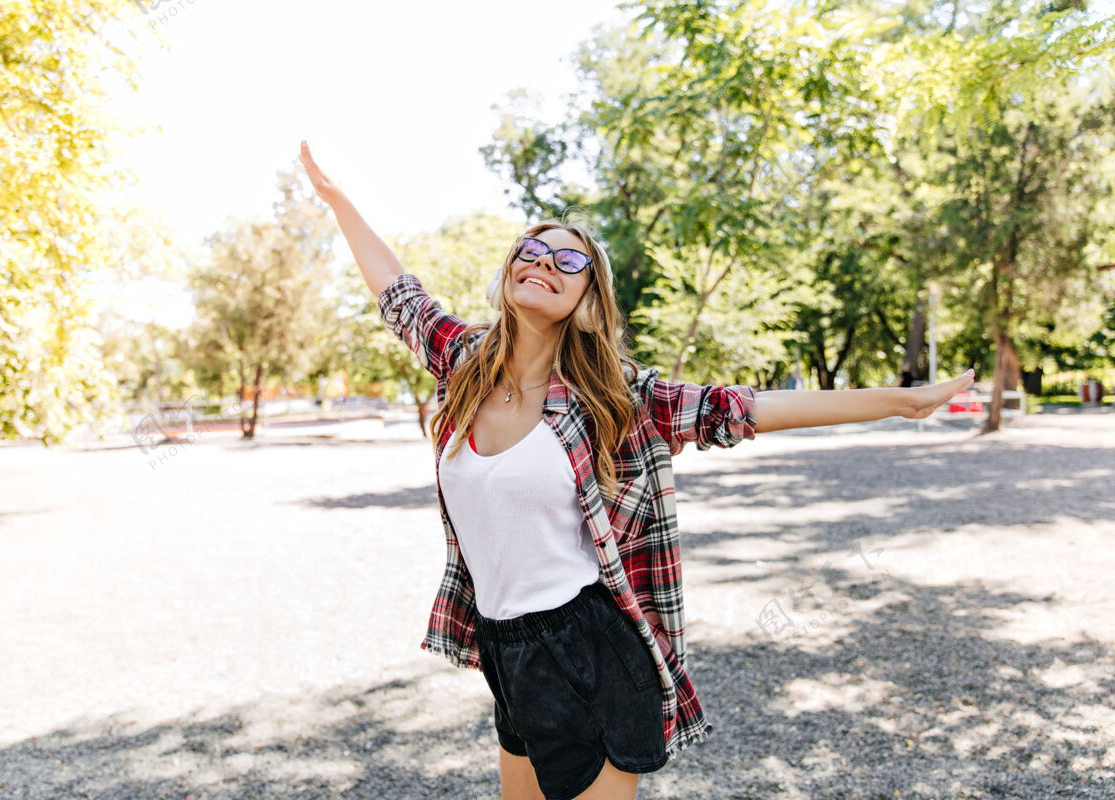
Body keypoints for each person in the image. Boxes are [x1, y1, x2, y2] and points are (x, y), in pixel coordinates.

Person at [298, 141, 974, 800]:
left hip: (590, 650)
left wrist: (901, 401)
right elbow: (401, 296)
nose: (542, 261)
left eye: (568, 258)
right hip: (507, 650)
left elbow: (736, 408)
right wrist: (337, 201)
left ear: (590, 299)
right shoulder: (466, 362)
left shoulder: (613, 397)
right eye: (530, 250)